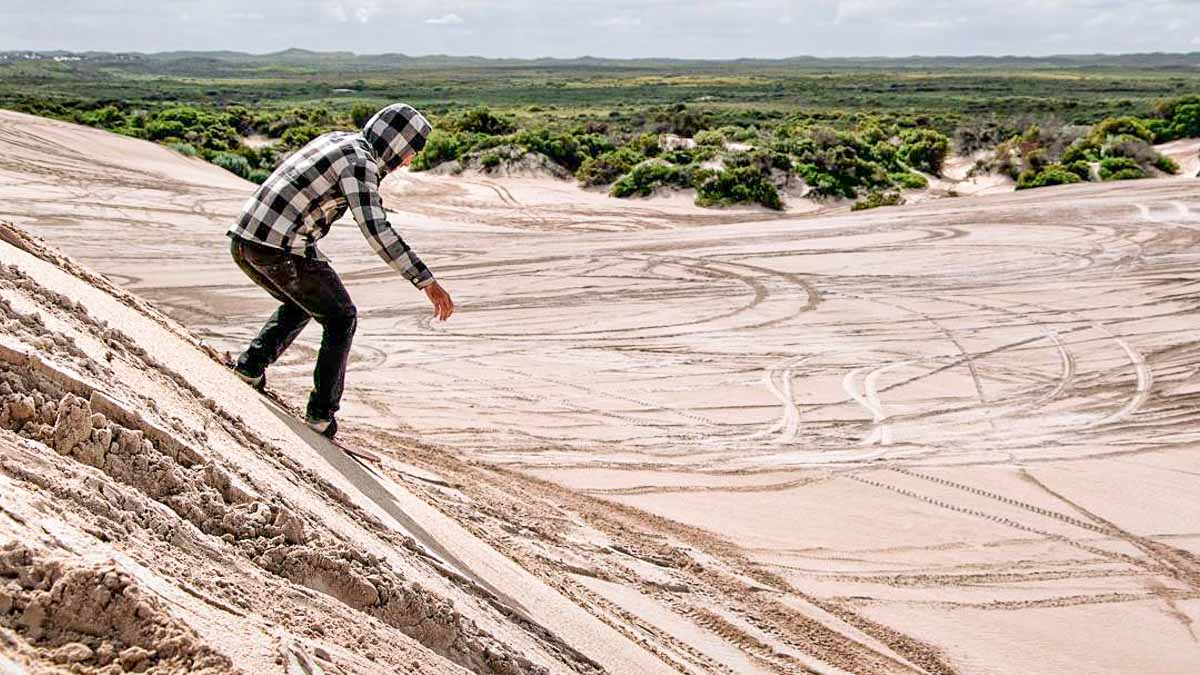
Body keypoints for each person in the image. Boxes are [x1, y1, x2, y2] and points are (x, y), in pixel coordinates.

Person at [226, 103, 453, 439]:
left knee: (306, 301)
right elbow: (376, 229)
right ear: (397, 143)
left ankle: (250, 368)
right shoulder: (361, 163)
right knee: (341, 317)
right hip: (276, 249)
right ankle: (320, 416)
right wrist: (426, 282)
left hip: (245, 241)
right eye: (411, 152)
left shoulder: (337, 140)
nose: (409, 162)